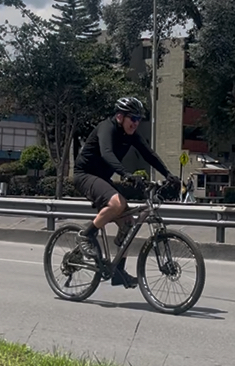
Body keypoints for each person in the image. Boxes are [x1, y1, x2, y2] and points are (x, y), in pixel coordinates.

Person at [73, 97, 179, 288]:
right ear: (120, 116)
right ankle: (85, 235)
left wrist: (169, 174)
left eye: (139, 119)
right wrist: (127, 174)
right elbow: (106, 153)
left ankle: (118, 272)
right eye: (133, 118)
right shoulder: (107, 127)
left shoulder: (131, 134)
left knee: (129, 225)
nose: (136, 123)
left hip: (102, 180)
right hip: (85, 175)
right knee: (117, 203)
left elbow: (149, 154)